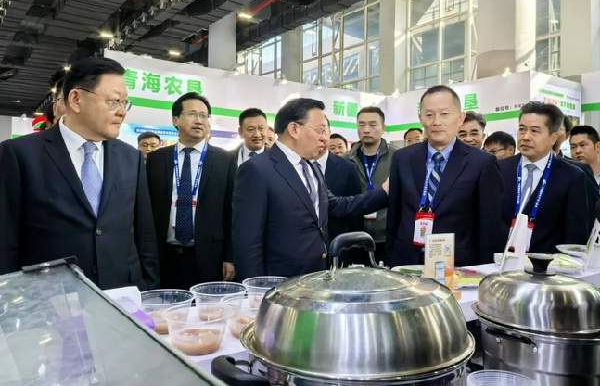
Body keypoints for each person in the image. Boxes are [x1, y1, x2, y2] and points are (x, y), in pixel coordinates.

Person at [0, 57, 159, 290]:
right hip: (51, 297)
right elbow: (6, 240)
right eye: (114, 101)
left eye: (125, 103)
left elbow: (144, 234)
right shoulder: (20, 154)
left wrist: (149, 288)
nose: (122, 112)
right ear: (76, 99)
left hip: (123, 292)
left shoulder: (130, 157)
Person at [232, 98, 389, 280]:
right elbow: (247, 241)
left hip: (317, 277)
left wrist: (384, 193)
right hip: (280, 281)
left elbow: (337, 205)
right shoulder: (257, 170)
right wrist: (255, 288)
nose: (324, 137)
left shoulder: (311, 168)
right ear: (294, 129)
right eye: (320, 130)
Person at [386, 85, 504, 267]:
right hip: (406, 261)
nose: (436, 121)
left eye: (444, 114)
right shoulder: (402, 158)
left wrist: (484, 270)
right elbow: (394, 216)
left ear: (460, 118)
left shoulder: (482, 162)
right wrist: (390, 259)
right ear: (421, 119)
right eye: (429, 115)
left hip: (458, 264)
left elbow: (490, 224)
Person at [146, 93, 237, 290]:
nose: (199, 120)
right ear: (175, 120)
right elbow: (146, 209)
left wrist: (230, 257)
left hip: (209, 257)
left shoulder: (226, 160)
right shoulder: (156, 159)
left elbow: (232, 213)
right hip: (164, 256)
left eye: (204, 116)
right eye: (192, 114)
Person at [499, 102, 589, 253]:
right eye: (522, 129)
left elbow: (575, 236)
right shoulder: (499, 169)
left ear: (553, 138)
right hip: (498, 261)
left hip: (547, 264)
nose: (525, 137)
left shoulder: (572, 177)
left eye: (534, 131)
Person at [345, 106, 399, 263]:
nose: (366, 130)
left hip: (386, 236)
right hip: (355, 237)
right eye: (361, 125)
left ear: (383, 128)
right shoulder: (346, 159)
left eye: (373, 124)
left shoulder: (398, 157)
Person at [314, 120, 364, 265]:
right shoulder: (298, 164)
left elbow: (355, 211)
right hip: (307, 251)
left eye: (323, 131)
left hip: (340, 247)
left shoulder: (347, 168)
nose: (320, 136)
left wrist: (356, 251)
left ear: (329, 133)